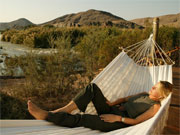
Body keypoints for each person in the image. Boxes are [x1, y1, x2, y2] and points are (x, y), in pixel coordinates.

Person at [28, 81, 173, 132]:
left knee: (83, 119)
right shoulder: (143, 93)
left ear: (160, 95)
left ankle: (47, 116)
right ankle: (64, 110)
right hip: (114, 109)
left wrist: (116, 118)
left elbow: (136, 121)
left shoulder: (155, 107)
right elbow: (124, 99)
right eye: (154, 85)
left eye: (155, 88)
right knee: (92, 88)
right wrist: (111, 104)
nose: (152, 87)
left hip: (119, 122)